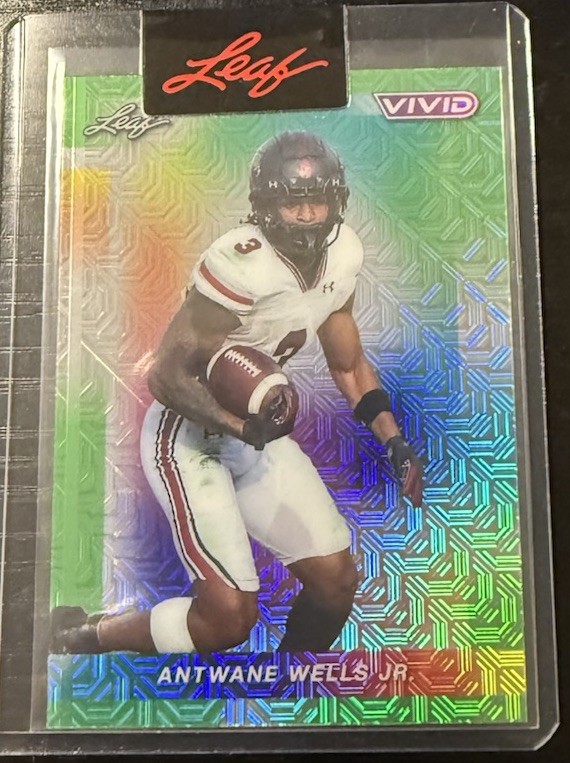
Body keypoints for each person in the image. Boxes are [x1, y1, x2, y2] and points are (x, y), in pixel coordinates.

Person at [51, 131, 423, 655]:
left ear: (337, 201)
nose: (308, 216)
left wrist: (393, 439)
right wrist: (240, 427)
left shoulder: (344, 254)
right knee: (227, 620)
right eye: (293, 204)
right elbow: (166, 376)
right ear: (266, 207)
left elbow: (348, 363)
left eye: (318, 202)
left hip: (255, 433)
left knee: (337, 582)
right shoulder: (240, 262)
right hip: (188, 437)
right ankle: (85, 636)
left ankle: (293, 678)